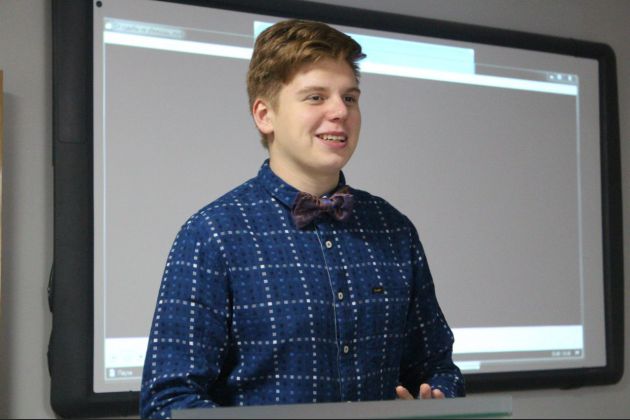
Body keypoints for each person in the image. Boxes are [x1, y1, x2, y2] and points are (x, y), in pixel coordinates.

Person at [140, 18, 465, 419]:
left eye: (350, 98)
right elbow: (168, 400)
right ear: (265, 115)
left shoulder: (393, 228)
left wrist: (437, 400)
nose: (340, 111)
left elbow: (437, 368)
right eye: (315, 97)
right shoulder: (212, 235)